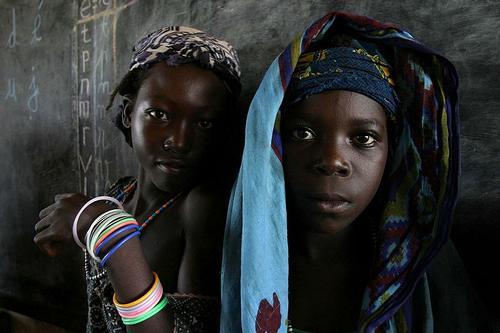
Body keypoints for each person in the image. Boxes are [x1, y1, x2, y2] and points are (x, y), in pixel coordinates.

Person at [221, 12, 488, 332]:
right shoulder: (229, 252)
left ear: (392, 152)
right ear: (271, 146)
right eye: (302, 134)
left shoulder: (428, 268)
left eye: (363, 138)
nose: (333, 160)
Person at [34, 26, 241, 332]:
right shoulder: (119, 193)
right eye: (159, 114)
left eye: (205, 123)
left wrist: (103, 224)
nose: (179, 141)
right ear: (130, 114)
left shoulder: (201, 209)